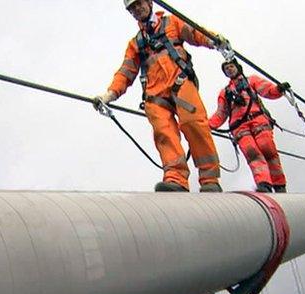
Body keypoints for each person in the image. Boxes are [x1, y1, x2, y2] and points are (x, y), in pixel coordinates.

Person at [93, 0, 229, 192]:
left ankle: (209, 180)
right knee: (163, 132)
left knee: (194, 124)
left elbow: (194, 33)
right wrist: (109, 95)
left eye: (138, 4)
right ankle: (176, 178)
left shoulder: (171, 23)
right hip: (155, 94)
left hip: (180, 81)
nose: (136, 10)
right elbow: (126, 72)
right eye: (132, 8)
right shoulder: (136, 44)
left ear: (149, 3)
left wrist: (214, 39)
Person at [209, 58, 290, 193]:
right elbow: (220, 114)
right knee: (252, 153)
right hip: (240, 128)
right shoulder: (225, 93)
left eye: (231, 66)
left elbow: (267, 90)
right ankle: (264, 183)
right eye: (226, 68)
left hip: (258, 121)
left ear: (238, 67)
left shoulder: (251, 81)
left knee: (267, 149)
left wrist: (278, 89)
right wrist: (205, 125)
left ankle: (279, 184)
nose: (229, 69)